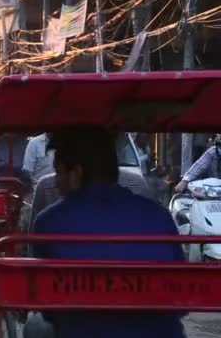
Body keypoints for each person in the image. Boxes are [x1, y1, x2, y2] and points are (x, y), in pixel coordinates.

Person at [31, 125, 186, 338]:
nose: (56, 182)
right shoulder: (160, 216)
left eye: (58, 172)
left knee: (35, 326)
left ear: (76, 173)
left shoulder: (49, 222)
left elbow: (45, 306)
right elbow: (182, 302)